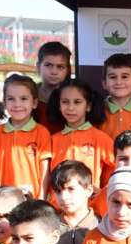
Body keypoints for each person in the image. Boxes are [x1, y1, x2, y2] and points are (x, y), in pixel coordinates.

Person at [47, 79, 113, 212]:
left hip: (90, 208)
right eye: (65, 102)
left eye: (77, 102)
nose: (70, 107)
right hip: (57, 209)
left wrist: (103, 191)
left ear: (88, 106)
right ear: (59, 105)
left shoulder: (101, 138)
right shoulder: (52, 140)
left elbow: (116, 169)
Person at [0, 75, 51, 198]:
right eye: (11, 99)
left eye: (23, 99)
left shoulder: (42, 133)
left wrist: (41, 198)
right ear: (4, 102)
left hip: (32, 199)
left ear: (34, 103)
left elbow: (45, 171)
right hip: (3, 198)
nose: (17, 104)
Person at [101, 53, 131, 139]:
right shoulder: (96, 113)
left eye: (124, 77)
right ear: (104, 83)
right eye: (113, 77)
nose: (119, 82)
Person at [34, 41, 72, 131]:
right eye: (48, 65)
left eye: (60, 67)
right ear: (38, 67)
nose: (54, 72)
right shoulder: (27, 95)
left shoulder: (74, 98)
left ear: (68, 70)